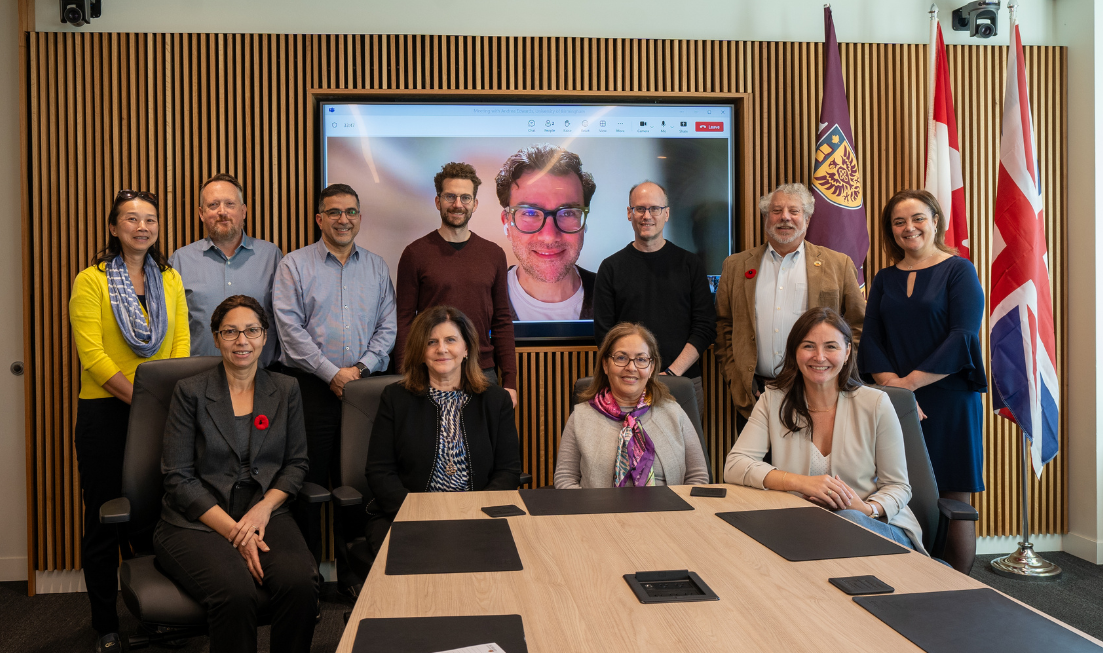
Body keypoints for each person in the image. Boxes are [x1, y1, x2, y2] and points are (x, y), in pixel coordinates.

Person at [154, 295, 318, 653]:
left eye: (251, 331)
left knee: (301, 584)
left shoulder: (286, 389)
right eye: (230, 332)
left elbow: (296, 464)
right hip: (198, 519)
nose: (242, 341)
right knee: (235, 594)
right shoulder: (190, 392)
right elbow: (177, 477)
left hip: (264, 511)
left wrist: (263, 510)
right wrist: (236, 532)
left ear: (264, 337)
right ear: (216, 338)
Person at [68, 190, 190, 652]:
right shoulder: (91, 280)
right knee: (103, 518)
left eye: (151, 220)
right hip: (105, 413)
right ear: (114, 228)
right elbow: (92, 355)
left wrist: (162, 401)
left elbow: (180, 344)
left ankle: (156, 616)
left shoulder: (170, 278)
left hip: (161, 412)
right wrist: (142, 399)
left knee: (152, 517)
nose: (143, 227)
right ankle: (106, 624)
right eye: (132, 219)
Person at [272, 182, 396, 595]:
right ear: (319, 218)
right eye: (335, 212)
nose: (344, 219)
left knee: (359, 482)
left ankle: (355, 577)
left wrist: (359, 371)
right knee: (306, 484)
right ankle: (305, 579)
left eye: (351, 212)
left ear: (360, 217)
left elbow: (388, 328)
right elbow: (289, 332)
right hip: (307, 388)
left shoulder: (377, 267)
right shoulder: (294, 265)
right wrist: (332, 374)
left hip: (365, 388)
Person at [857, 189, 986, 573]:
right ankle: (910, 576)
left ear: (935, 221)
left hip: (948, 401)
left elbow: (963, 335)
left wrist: (905, 387)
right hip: (893, 402)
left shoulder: (959, 270)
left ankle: (959, 588)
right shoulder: (883, 278)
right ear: (890, 230)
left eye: (917, 218)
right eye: (898, 222)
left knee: (953, 496)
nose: (908, 227)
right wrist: (895, 391)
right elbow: (871, 339)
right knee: (898, 489)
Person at [725, 307, 924, 553]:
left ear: (847, 351)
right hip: (806, 528)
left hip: (877, 525)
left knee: (846, 523)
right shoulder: (773, 400)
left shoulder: (876, 403)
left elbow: (898, 486)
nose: (819, 357)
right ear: (795, 352)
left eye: (831, 346)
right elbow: (735, 465)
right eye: (808, 346)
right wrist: (801, 483)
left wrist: (866, 508)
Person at [364, 306, 522, 555]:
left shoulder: (495, 400)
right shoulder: (395, 398)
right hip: (408, 515)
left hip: (480, 516)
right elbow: (380, 471)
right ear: (420, 351)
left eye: (451, 340)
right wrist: (416, 511)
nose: (442, 349)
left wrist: (476, 511)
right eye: (431, 342)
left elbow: (508, 471)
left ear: (466, 348)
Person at [715, 182, 866, 430]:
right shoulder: (735, 266)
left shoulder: (838, 265)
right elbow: (724, 325)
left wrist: (836, 373)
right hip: (755, 395)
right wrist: (736, 377)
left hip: (818, 390)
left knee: (813, 467)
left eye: (794, 211)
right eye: (776, 211)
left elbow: (857, 324)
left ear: (807, 220)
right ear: (766, 218)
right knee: (759, 467)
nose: (784, 217)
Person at [395, 162, 517, 405]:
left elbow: (502, 320)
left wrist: (510, 382)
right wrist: (405, 375)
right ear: (438, 201)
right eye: (450, 196)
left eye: (465, 197)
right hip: (431, 370)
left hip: (482, 372)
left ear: (475, 204)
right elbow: (404, 320)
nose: (458, 204)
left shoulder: (494, 254)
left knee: (484, 443)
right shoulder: (414, 254)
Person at [593, 180, 715, 419]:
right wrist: (636, 373)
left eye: (654, 209)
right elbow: (605, 335)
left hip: (682, 382)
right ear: (629, 213)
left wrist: (671, 374)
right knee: (629, 456)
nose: (647, 215)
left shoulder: (690, 265)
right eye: (640, 208)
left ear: (666, 213)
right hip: (627, 384)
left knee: (682, 456)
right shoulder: (610, 268)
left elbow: (705, 327)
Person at [554, 322, 709, 489]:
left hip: (667, 512)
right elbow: (565, 479)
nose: (631, 367)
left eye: (641, 359)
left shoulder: (674, 413)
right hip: (600, 513)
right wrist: (593, 515)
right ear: (606, 365)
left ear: (651, 368)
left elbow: (698, 476)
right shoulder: (581, 417)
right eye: (621, 358)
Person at [169, 173, 284, 366]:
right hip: (198, 378)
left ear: (243, 211)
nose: (222, 211)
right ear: (201, 213)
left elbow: (285, 321)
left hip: (263, 378)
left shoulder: (271, 256)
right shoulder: (180, 260)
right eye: (213, 205)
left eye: (230, 204)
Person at [495, 143, 597, 320]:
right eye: (530, 213)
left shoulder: (619, 301)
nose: (549, 235)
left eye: (567, 213)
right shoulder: (478, 304)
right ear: (507, 223)